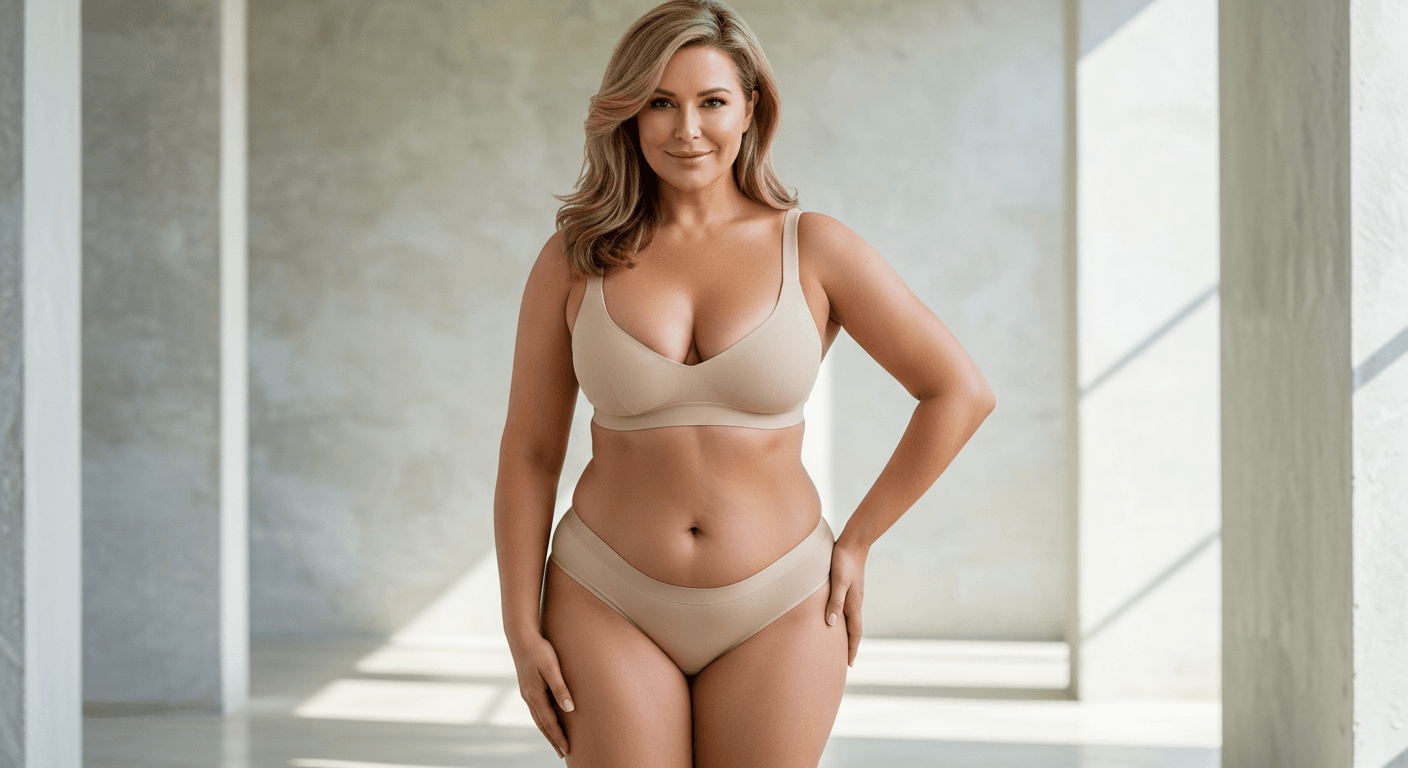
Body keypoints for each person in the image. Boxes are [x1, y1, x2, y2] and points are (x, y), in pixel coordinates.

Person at [493, 1, 995, 764]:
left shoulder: (815, 247)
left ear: (751, 106)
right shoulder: (574, 259)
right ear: (627, 114)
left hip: (784, 598)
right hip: (605, 594)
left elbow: (959, 391)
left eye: (711, 102)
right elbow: (530, 451)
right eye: (660, 102)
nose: (686, 129)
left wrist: (856, 542)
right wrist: (518, 625)